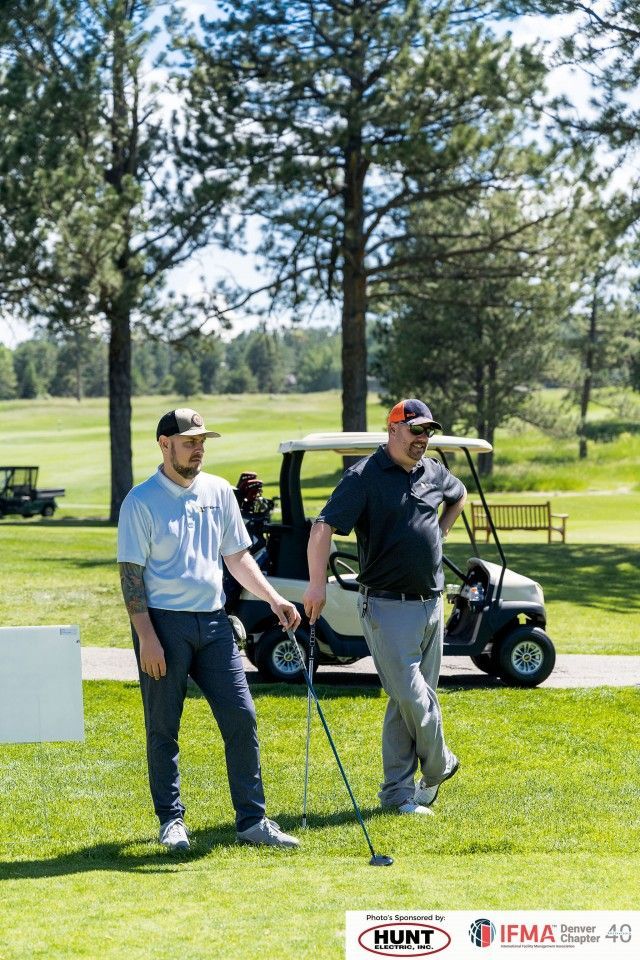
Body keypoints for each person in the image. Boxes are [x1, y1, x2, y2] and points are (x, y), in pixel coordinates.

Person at [117, 407, 301, 851]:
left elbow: (237, 557)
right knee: (164, 727)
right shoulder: (140, 501)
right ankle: (171, 821)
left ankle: (253, 822)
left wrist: (274, 599)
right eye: (189, 441)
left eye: (202, 442)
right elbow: (131, 576)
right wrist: (146, 638)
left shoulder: (219, 491)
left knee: (242, 718)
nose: (198, 449)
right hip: (163, 626)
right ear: (164, 444)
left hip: (216, 624)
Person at [303, 399, 466, 815]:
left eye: (428, 432)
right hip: (386, 607)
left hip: (432, 603)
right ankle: (440, 764)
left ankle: (397, 796)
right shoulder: (363, 477)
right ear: (393, 429)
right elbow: (322, 528)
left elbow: (458, 495)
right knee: (414, 697)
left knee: (403, 702)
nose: (423, 440)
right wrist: (317, 586)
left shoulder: (433, 471)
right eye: (415, 431)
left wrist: (439, 535)